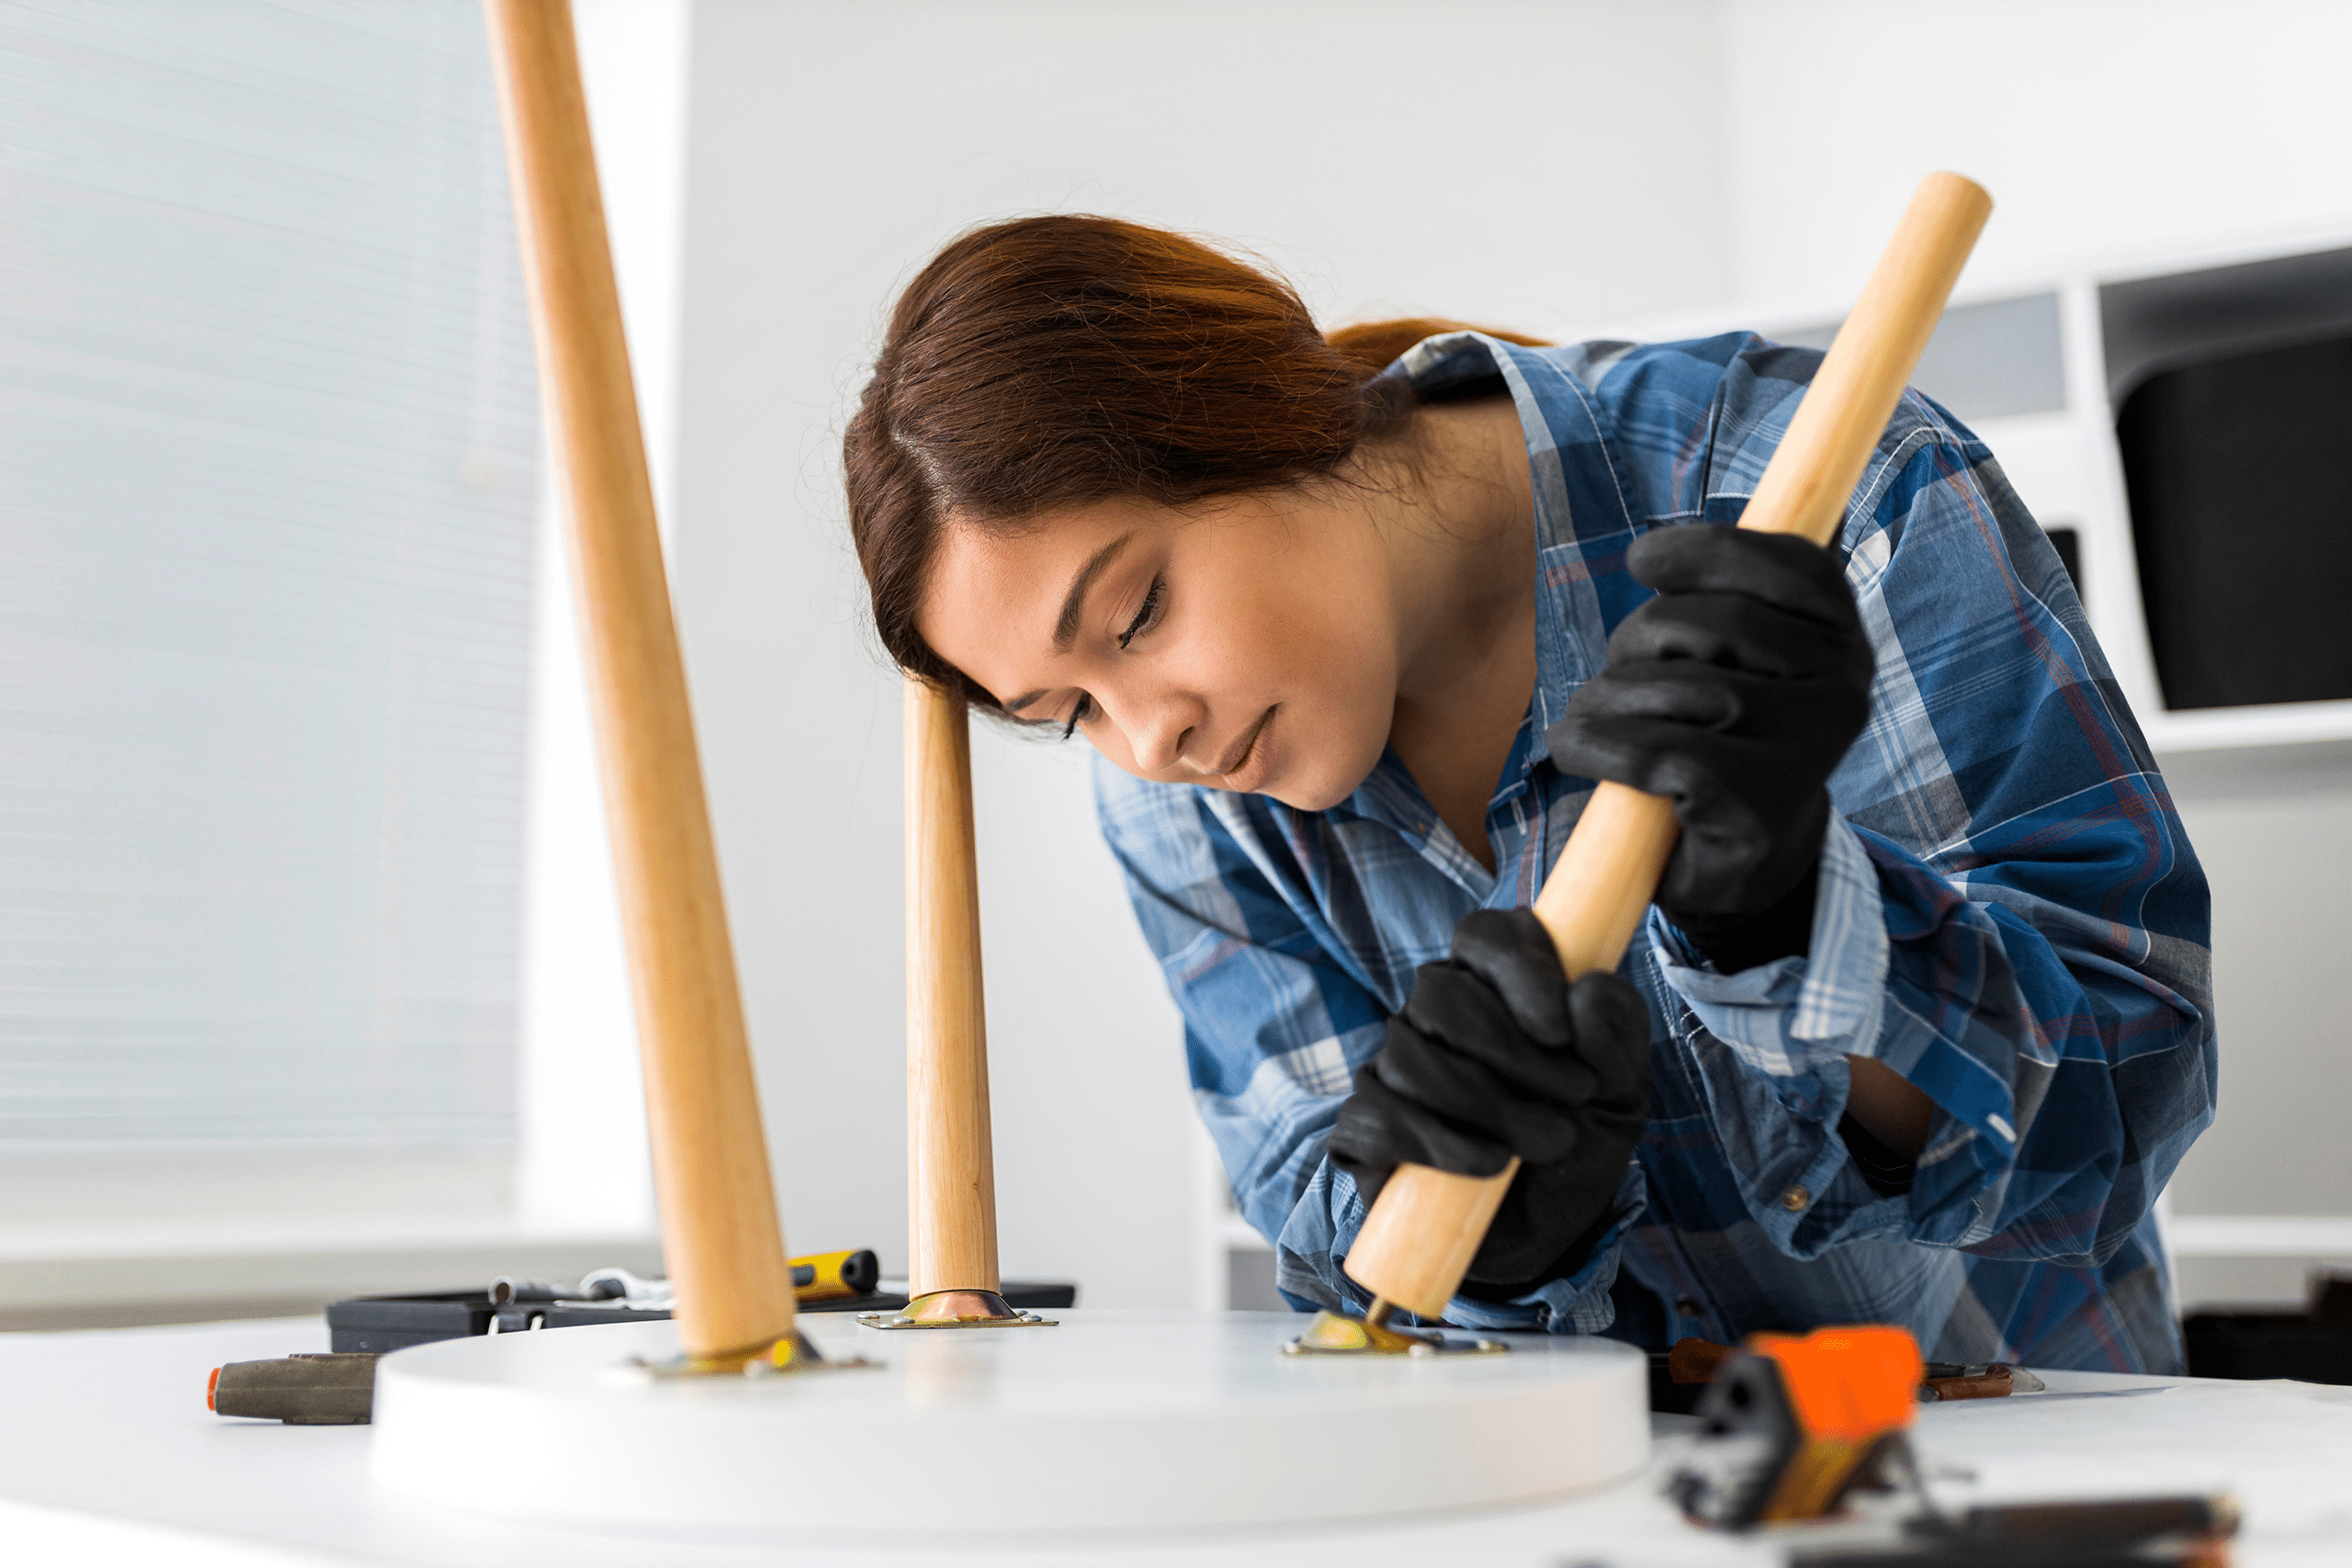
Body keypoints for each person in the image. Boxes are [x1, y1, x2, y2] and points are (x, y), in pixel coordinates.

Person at [844, 215, 2215, 1371]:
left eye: (1138, 611)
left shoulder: (1830, 492)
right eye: (1065, 710)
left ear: (1272, 416)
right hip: (1569, 1498)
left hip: (2019, 1459)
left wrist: (1790, 916)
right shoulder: (1178, 798)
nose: (1152, 740)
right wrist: (1493, 1239)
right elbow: (1350, 1289)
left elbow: (2126, 1107)